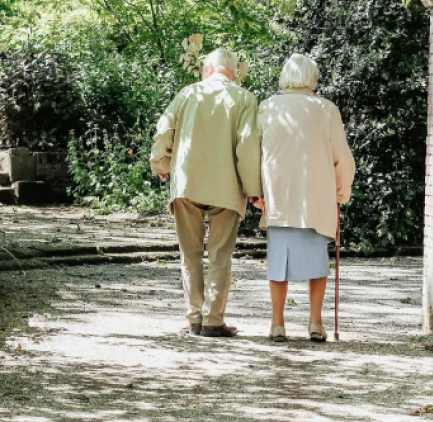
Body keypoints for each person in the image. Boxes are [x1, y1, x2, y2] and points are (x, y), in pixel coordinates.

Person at [150, 48, 262, 338]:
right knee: (220, 255)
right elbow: (247, 147)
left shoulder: (187, 94)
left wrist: (161, 163)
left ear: (209, 68)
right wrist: (253, 190)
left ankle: (194, 318)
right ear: (233, 72)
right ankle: (213, 320)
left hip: (188, 183)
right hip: (227, 187)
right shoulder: (245, 99)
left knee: (190, 254)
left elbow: (164, 132)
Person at [253, 53, 355, 342]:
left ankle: (277, 323)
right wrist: (341, 191)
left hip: (280, 195)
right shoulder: (326, 110)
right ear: (313, 77)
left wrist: (255, 192)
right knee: (317, 263)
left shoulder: (267, 107)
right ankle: (315, 322)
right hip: (316, 197)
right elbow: (343, 158)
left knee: (277, 264)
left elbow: (254, 153)